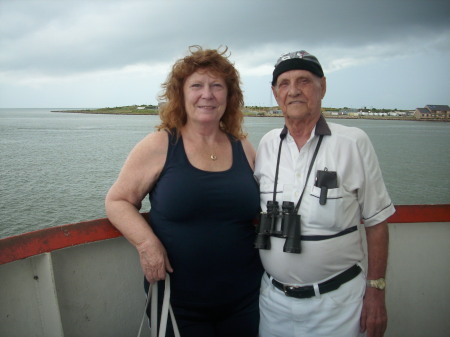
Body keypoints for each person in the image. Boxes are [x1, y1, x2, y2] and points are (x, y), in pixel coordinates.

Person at [105, 46, 263, 337]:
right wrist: (146, 244)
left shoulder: (244, 147)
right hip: (178, 302)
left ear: (229, 96)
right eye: (197, 86)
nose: (207, 94)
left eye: (217, 86)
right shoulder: (159, 145)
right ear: (181, 95)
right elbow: (118, 201)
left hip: (246, 298)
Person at [254, 50, 395, 337]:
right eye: (284, 83)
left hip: (338, 306)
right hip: (273, 305)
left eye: (304, 81)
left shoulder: (353, 142)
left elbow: (378, 223)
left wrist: (376, 292)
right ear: (274, 92)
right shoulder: (267, 145)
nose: (293, 91)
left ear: (323, 87)